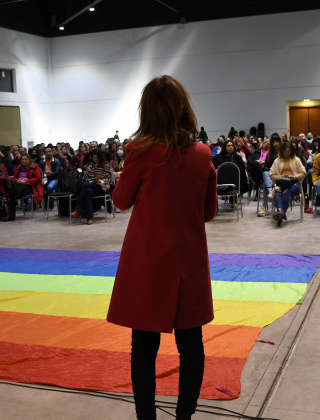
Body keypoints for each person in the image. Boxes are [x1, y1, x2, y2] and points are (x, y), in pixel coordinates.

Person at [106, 75, 216, 420]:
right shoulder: (202, 154)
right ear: (184, 109)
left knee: (143, 347)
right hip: (188, 258)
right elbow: (208, 212)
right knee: (191, 345)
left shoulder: (139, 152)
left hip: (149, 258)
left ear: (147, 111)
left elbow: (121, 201)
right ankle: (185, 416)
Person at [70, 149, 113, 225]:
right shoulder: (90, 165)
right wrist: (93, 180)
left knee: (85, 185)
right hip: (92, 185)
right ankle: (90, 217)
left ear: (100, 157)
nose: (95, 160)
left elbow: (110, 179)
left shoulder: (106, 165)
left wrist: (100, 181)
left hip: (103, 186)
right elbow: (87, 177)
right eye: (93, 158)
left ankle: (78, 209)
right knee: (88, 191)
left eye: (97, 158)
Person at [269, 142, 306, 226]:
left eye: (289, 151)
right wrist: (280, 176)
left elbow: (303, 173)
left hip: (294, 182)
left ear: (291, 151)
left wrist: (293, 176)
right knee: (277, 192)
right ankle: (280, 212)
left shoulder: (296, 160)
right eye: (285, 151)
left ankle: (280, 214)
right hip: (281, 182)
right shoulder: (277, 161)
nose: (287, 153)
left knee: (286, 192)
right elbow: (271, 174)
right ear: (282, 151)